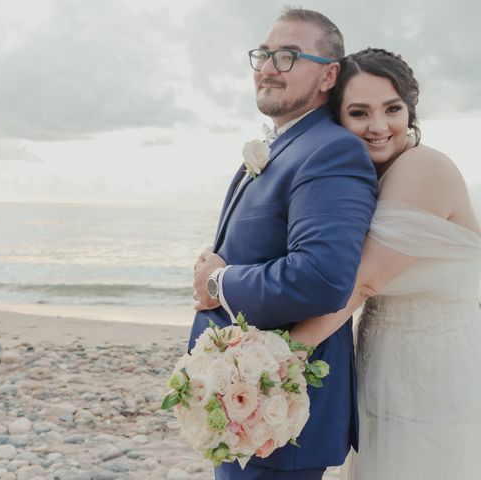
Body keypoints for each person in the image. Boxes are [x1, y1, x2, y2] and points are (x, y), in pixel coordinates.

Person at [189, 8, 378, 480]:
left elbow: (320, 278)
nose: (269, 66)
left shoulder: (332, 151)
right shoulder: (282, 147)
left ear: (328, 75)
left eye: (289, 56)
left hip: (279, 418)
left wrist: (217, 281)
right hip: (239, 410)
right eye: (265, 54)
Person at [290, 48, 481, 479]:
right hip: (383, 362)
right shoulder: (367, 177)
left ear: (410, 109)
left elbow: (364, 282)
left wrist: (280, 360)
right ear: (338, 117)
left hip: (436, 371)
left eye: (392, 109)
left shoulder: (423, 168)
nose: (378, 127)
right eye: (359, 113)